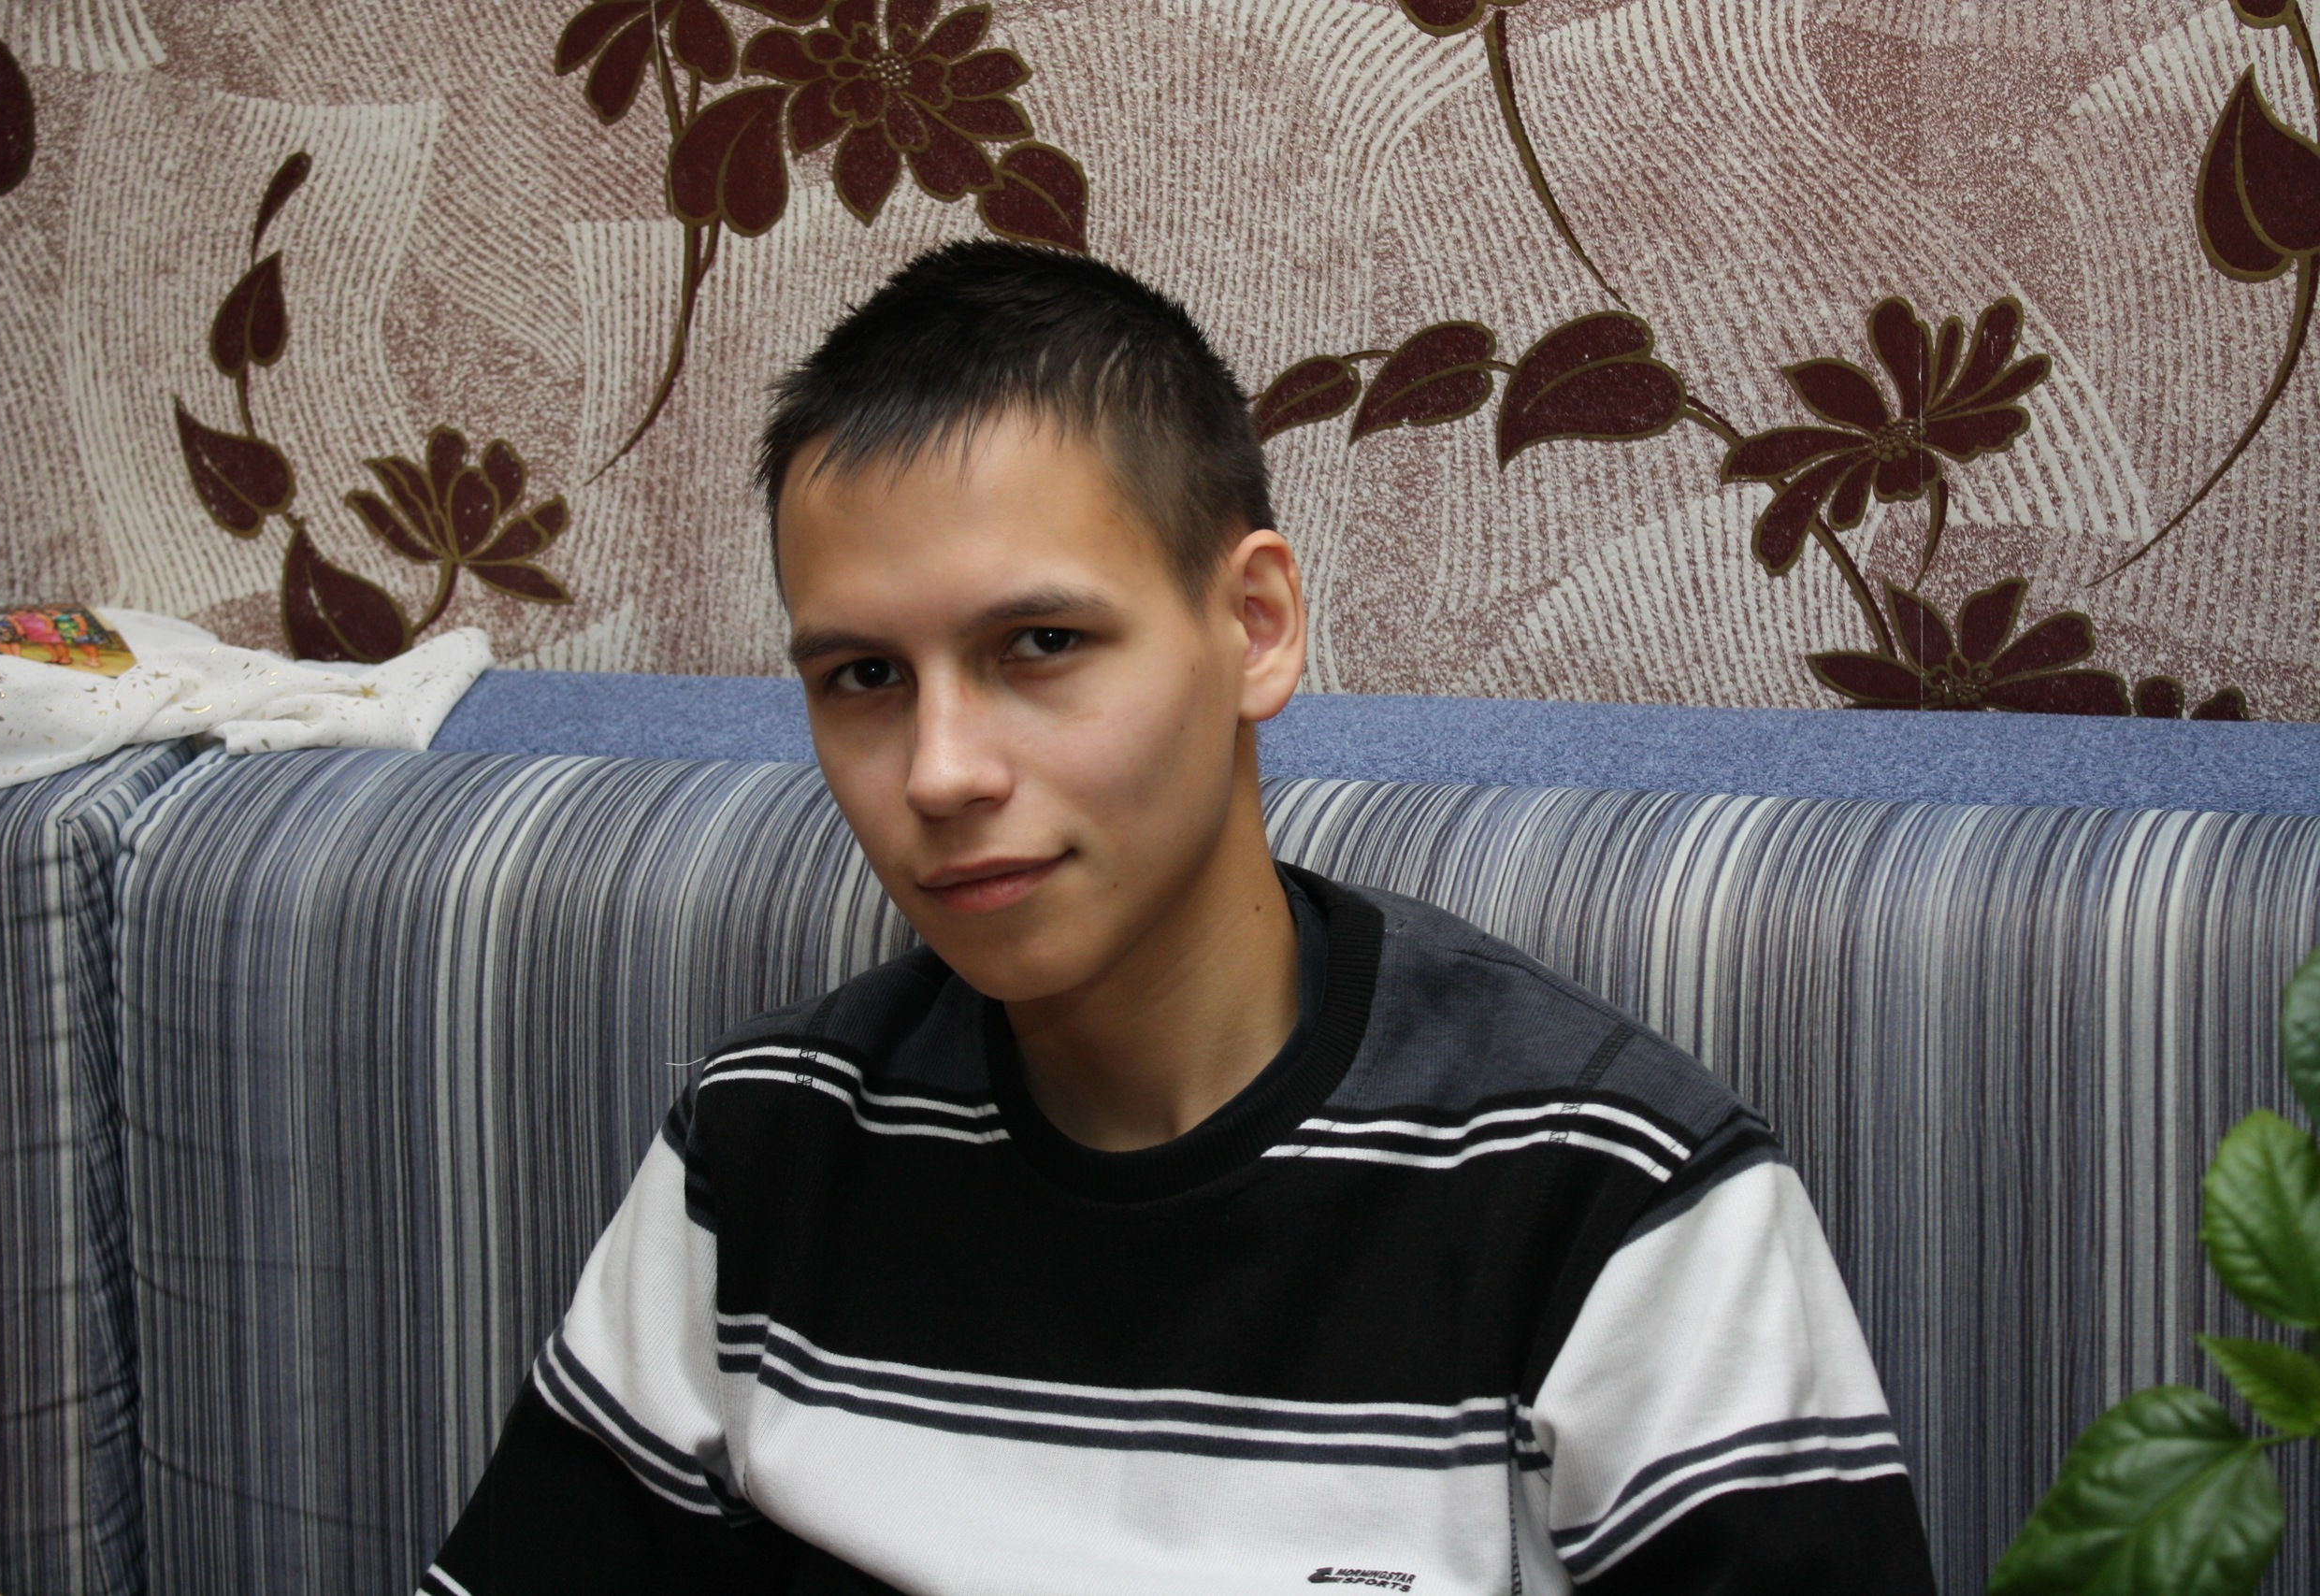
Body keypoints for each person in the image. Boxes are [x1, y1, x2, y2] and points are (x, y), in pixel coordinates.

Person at [420, 241, 1937, 1595]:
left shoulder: (1608, 1192)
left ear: (1254, 626)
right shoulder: (761, 1148)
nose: (939, 773)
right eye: (863, 677)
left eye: (1040, 642)